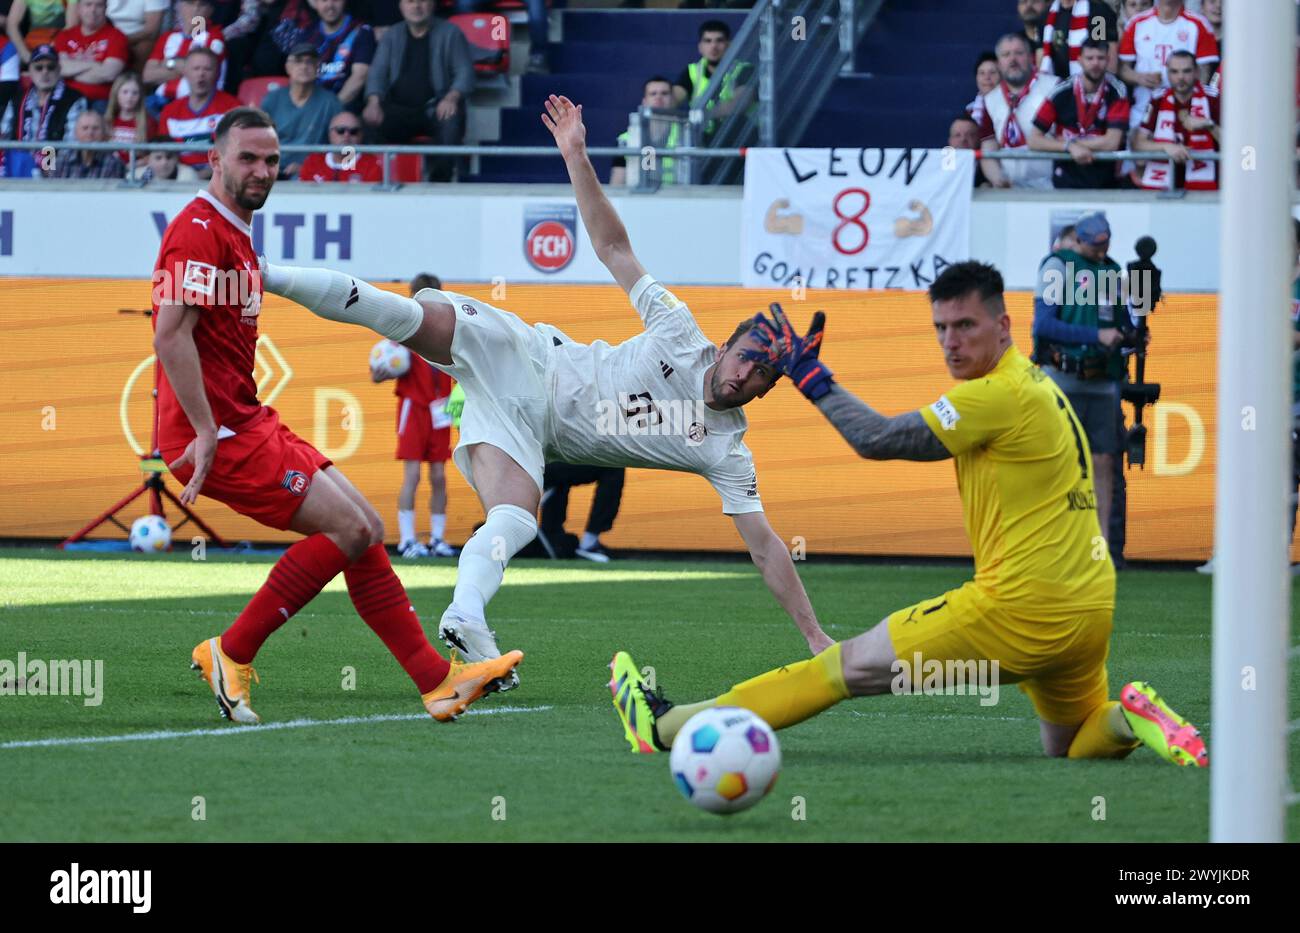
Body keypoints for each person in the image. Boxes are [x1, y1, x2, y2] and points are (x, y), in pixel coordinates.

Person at [257, 94, 832, 689]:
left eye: (761, 374)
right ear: (726, 344)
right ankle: (267, 273)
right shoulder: (680, 331)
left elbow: (766, 549)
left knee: (514, 520)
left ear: (767, 390)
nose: (743, 375)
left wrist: (816, 637)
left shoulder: (727, 453)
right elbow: (614, 248)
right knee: (406, 316)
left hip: (529, 431)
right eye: (744, 357)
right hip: (528, 357)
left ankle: (466, 615)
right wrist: (576, 155)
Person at [607, 264, 1207, 769]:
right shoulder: (1035, 386)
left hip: (1020, 609)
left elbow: (877, 438)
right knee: (1073, 743)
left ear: (1003, 325)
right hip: (1090, 608)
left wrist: (811, 376)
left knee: (839, 668)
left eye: (966, 325)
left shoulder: (996, 393)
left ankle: (665, 726)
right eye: (942, 327)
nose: (951, 341)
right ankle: (1129, 718)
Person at [153, 107, 520, 725]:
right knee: (348, 531)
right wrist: (207, 429)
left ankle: (438, 683)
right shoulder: (197, 229)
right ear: (214, 159)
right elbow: (170, 335)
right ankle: (231, 651)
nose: (262, 171)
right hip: (215, 431)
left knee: (366, 529)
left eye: (271, 160)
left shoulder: (237, 234)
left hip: (246, 417)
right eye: (247, 159)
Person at [1033, 211, 1130, 545]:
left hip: (1102, 378)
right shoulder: (1056, 266)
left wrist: (1131, 337)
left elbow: (1123, 320)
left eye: (1106, 245)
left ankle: (1100, 542)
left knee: (1104, 459)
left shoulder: (1114, 271)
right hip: (1063, 375)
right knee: (1060, 458)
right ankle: (1054, 539)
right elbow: (1043, 326)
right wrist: (1095, 336)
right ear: (1077, 239)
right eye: (1094, 246)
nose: (1101, 252)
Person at [370, 272, 459, 559]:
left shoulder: (450, 325)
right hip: (414, 407)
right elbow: (384, 364)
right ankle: (407, 540)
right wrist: (378, 374)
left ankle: (437, 539)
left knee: (438, 476)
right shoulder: (403, 326)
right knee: (412, 475)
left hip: (441, 409)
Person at [363, 0, 473, 183]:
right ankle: (376, 178)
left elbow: (465, 73)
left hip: (435, 107)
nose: (416, 6)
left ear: (433, 5)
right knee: (364, 122)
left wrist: (451, 98)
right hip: (398, 109)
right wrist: (373, 101)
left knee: (450, 122)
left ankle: (440, 182)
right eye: (410, 1)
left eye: (422, 1)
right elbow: (377, 73)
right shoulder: (392, 35)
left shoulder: (451, 33)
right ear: (400, 6)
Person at [1028, 38, 1128, 188]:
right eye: (1089, 58)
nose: (1095, 63)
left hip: (1105, 181)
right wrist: (1069, 147)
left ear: (1108, 60)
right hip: (1066, 180)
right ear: (1079, 60)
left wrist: (1068, 142)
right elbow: (1034, 140)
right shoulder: (1060, 91)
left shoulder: (1117, 91)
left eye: (1100, 58)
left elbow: (1112, 142)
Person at [977, 32, 1057, 189]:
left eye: (1019, 53)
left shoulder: (1055, 87)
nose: (1012, 60)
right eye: (1006, 55)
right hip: (1011, 190)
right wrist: (997, 178)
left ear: (1030, 57)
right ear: (999, 63)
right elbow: (988, 149)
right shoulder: (990, 100)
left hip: (1052, 187)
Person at [1131, 49, 1219, 191]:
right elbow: (1138, 143)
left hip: (1207, 184)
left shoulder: (1213, 98)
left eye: (1186, 71)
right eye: (1174, 72)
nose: (1181, 77)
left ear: (1197, 72)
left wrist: (1210, 125)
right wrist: (1166, 147)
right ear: (1167, 73)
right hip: (1165, 184)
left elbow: (1234, 144)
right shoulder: (1157, 98)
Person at [0, 43, 86, 177]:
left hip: (54, 172)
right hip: (17, 168)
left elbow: (72, 144)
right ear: (30, 71)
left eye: (50, 67)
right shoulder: (18, 98)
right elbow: (4, 135)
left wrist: (49, 168)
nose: (44, 72)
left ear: (59, 69)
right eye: (39, 68)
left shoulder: (74, 99)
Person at [259, 40, 341, 177]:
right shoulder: (272, 100)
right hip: (274, 171)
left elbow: (341, 144)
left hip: (315, 173)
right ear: (287, 67)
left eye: (310, 62)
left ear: (318, 68)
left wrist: (307, 167)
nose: (304, 66)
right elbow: (258, 141)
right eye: (298, 61)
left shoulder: (330, 102)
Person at [158, 45, 238, 174]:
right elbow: (163, 153)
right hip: (178, 175)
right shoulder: (170, 111)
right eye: (196, 69)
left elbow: (237, 154)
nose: (201, 74)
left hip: (219, 175)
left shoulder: (233, 108)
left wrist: (206, 174)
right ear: (185, 72)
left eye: (207, 69)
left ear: (217, 74)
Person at [537, 463, 625, 562]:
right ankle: (589, 544)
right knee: (612, 467)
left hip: (540, 466)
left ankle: (552, 537)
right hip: (533, 468)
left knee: (561, 473)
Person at [53, 0, 127, 106]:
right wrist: (95, 65)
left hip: (100, 101)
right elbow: (59, 68)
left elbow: (109, 74)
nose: (93, 10)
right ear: (79, 8)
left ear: (106, 8)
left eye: (99, 5)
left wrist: (71, 71)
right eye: (88, 4)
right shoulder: (64, 36)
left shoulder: (117, 36)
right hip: (65, 99)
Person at [304, 0, 374, 111]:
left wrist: (330, 109)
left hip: (347, 108)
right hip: (313, 107)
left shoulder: (361, 30)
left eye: (336, 0)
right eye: (324, 0)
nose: (330, 5)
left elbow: (360, 77)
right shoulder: (308, 33)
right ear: (315, 3)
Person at [611, 75, 677, 187]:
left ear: (672, 100)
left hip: (678, 199)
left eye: (664, 93)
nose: (659, 97)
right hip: (638, 199)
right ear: (644, 101)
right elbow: (617, 184)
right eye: (653, 94)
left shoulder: (687, 133)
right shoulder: (625, 140)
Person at [1039, 0, 1119, 78]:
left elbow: (1107, 55)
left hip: (1091, 85)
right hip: (1056, 85)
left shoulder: (1097, 12)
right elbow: (1042, 59)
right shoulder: (1046, 16)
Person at [297, 108, 382, 181]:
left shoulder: (371, 164)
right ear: (330, 133)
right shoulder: (313, 161)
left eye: (353, 132)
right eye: (340, 130)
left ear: (360, 135)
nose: (346, 135)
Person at [53, 106, 124, 174]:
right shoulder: (62, 160)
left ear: (103, 133)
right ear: (76, 133)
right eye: (85, 128)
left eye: (95, 128)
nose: (90, 133)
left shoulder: (113, 164)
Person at [105, 70, 152, 163]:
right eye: (125, 92)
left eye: (135, 93)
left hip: (135, 170)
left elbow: (152, 156)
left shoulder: (149, 122)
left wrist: (131, 167)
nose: (129, 97)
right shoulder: (106, 121)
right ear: (116, 94)